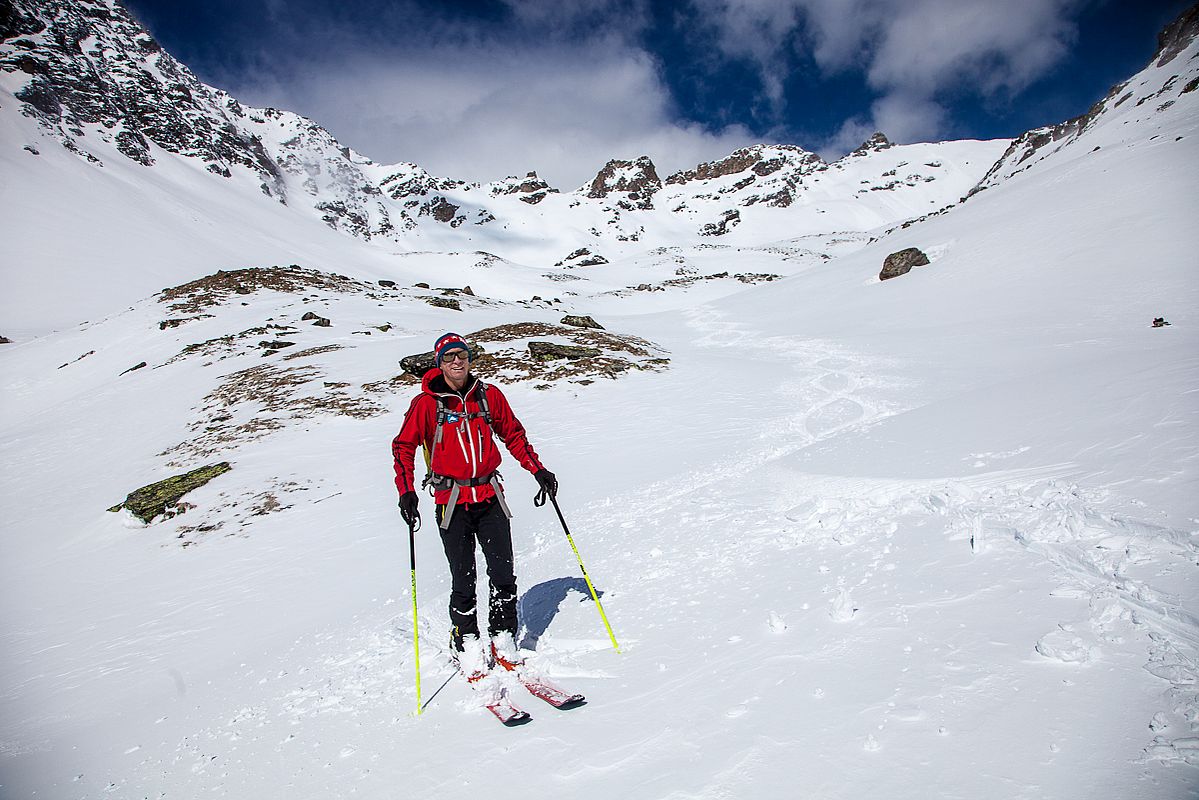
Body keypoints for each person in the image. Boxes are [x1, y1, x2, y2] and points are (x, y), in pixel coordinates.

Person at [392, 332, 557, 679]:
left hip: (489, 497)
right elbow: (403, 447)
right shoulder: (427, 404)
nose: (457, 361)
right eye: (450, 356)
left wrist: (537, 469)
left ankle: (502, 635)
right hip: (451, 502)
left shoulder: (488, 396)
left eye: (462, 355)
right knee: (463, 580)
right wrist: (406, 491)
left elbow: (513, 434)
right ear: (439, 363)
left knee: (502, 575)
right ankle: (466, 640)